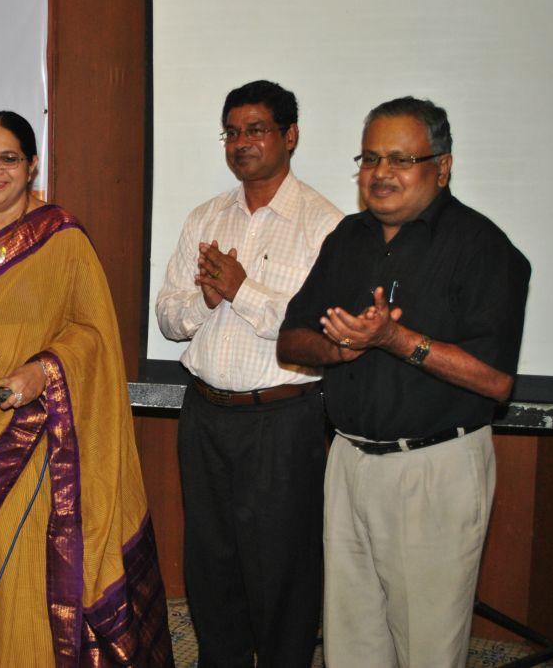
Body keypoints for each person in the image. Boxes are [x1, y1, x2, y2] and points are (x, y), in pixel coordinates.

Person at [0, 111, 174, 667]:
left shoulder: (62, 236)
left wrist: (44, 371)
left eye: (7, 159)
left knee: (31, 556)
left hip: (45, 425)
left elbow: (94, 333)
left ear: (31, 167)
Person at [278, 96, 530, 667]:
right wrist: (341, 347)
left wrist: (397, 341)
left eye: (399, 159)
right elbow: (290, 341)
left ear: (441, 167)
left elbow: (495, 381)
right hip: (348, 462)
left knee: (427, 647)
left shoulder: (482, 248)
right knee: (352, 643)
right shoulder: (348, 237)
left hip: (433, 471)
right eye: (369, 159)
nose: (380, 174)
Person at [155, 80, 342, 667]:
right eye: (232, 131)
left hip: (284, 419)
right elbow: (168, 316)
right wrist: (206, 301)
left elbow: (324, 330)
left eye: (255, 129)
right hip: (206, 416)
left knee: (283, 569)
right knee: (211, 564)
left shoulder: (325, 225)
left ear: (290, 136)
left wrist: (242, 290)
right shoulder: (205, 217)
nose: (241, 142)